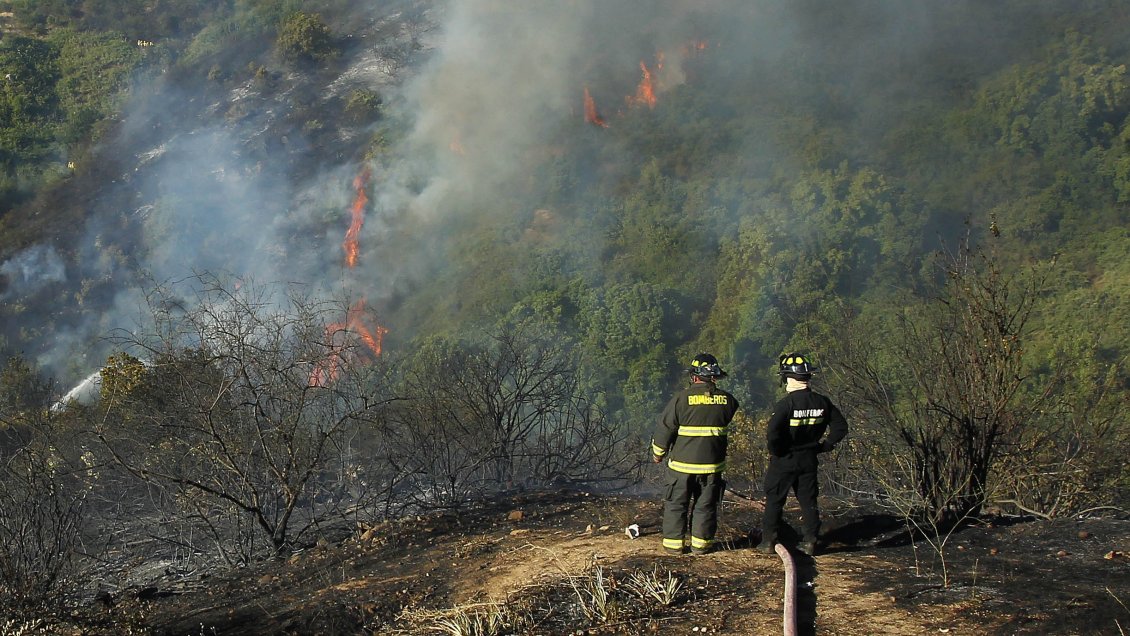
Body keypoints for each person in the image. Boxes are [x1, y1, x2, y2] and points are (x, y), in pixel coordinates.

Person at [758, 352, 848, 556]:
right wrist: (825, 445)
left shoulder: (786, 404)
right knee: (808, 501)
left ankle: (768, 542)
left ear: (788, 377)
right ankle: (810, 542)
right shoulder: (822, 402)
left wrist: (777, 451)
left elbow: (773, 433)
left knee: (774, 500)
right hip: (809, 458)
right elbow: (841, 427)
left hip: (784, 459)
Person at [651, 353, 740, 555]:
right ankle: (701, 546)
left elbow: (665, 428)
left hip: (682, 466)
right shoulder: (727, 401)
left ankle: (674, 546)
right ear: (715, 377)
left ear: (694, 376)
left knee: (677, 504)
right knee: (705, 505)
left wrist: (659, 453)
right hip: (712, 466)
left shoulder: (681, 399)